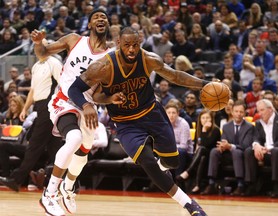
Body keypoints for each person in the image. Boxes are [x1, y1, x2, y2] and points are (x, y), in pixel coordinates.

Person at [68, 26, 211, 216]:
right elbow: (74, 89)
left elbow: (175, 76)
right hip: (126, 123)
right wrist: (91, 105)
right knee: (147, 161)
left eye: (135, 45)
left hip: (152, 114)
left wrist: (205, 85)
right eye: (127, 45)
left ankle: (160, 171)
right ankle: (190, 205)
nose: (131, 50)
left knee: (172, 162)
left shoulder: (148, 59)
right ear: (118, 43)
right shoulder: (104, 66)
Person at [30, 9, 115, 216]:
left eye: (104, 17)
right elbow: (42, 54)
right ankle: (49, 194)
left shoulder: (110, 56)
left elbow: (99, 95)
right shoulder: (74, 40)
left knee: (83, 152)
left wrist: (110, 99)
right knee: (74, 138)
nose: (100, 19)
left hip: (88, 107)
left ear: (108, 26)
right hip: (64, 99)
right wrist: (39, 43)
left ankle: (67, 188)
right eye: (96, 17)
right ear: (89, 25)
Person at [0, 40, 63, 193]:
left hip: (51, 106)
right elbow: (33, 91)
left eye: (44, 44)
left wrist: (58, 107)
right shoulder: (35, 67)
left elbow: (63, 85)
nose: (40, 47)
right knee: (55, 147)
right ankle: (67, 183)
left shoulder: (54, 63)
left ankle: (16, 179)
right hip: (39, 106)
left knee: (34, 145)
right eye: (37, 45)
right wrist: (25, 109)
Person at [201, 100, 254, 196]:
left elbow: (246, 145)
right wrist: (222, 146)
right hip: (226, 155)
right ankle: (211, 183)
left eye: (241, 112)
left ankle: (240, 185)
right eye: (236, 111)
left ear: (245, 113)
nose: (238, 114)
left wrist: (231, 146)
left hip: (241, 155)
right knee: (214, 151)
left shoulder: (249, 127)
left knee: (236, 152)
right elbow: (223, 140)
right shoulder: (226, 126)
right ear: (232, 112)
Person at [244, 99, 278, 197]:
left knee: (276, 151)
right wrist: (257, 146)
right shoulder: (259, 123)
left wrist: (268, 148)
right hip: (264, 153)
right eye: (258, 111)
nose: (259, 113)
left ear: (270, 109)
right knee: (248, 151)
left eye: (262, 110)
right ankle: (251, 185)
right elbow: (256, 138)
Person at [176, 109, 221, 194]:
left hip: (211, 158)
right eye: (203, 118)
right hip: (201, 157)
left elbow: (205, 144)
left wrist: (204, 131)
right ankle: (197, 185)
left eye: (207, 118)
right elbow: (197, 145)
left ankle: (187, 172)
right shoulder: (198, 130)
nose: (205, 120)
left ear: (211, 119)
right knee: (202, 157)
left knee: (202, 150)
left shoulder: (216, 130)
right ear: (200, 119)